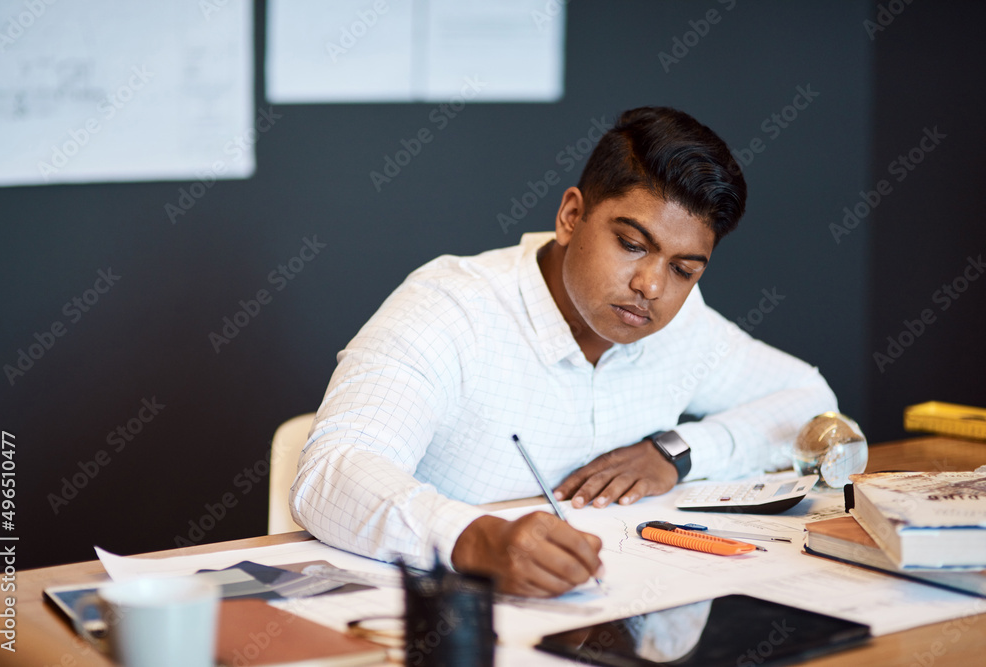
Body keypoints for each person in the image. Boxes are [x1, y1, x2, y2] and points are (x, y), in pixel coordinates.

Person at [290, 106, 837, 598]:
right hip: (449, 623)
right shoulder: (450, 305)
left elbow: (810, 401)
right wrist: (475, 541)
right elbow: (332, 473)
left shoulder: (682, 323)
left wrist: (677, 452)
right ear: (571, 217)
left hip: (614, 619)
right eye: (631, 245)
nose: (651, 285)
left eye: (683, 269)